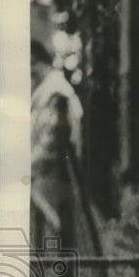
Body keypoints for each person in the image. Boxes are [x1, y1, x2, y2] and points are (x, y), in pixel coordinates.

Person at [30, 39, 84, 250]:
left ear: (42, 62)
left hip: (53, 179)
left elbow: (51, 142)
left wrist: (27, 168)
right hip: (42, 180)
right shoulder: (43, 93)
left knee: (54, 242)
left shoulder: (56, 93)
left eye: (33, 65)